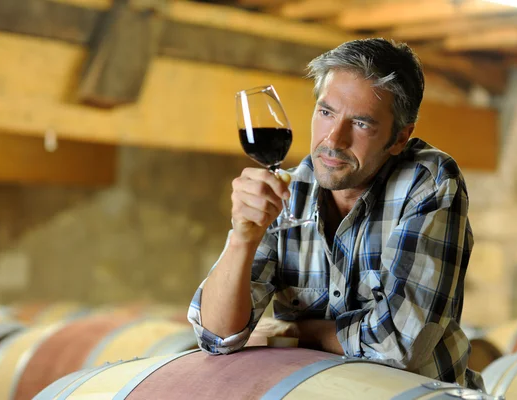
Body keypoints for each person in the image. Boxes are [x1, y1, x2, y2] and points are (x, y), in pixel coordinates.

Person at [188, 38, 482, 389]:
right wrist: (242, 238)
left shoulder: (428, 182)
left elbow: (399, 345)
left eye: (361, 123)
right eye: (326, 112)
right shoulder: (288, 190)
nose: (333, 139)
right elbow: (217, 337)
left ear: (400, 138)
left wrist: (298, 331)